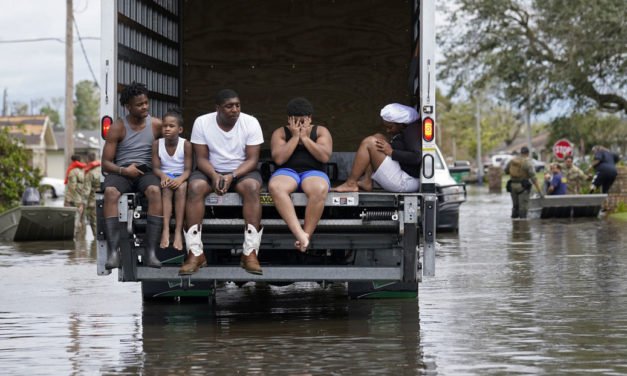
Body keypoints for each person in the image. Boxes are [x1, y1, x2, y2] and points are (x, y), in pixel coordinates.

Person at [181, 89, 264, 275]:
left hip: (242, 171)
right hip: (210, 170)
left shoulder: (250, 122)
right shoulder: (202, 122)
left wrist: (231, 175)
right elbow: (201, 158)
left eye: (237, 105)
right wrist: (214, 175)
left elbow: (252, 160)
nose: (235, 109)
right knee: (194, 187)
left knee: (252, 187)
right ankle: (195, 253)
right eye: (229, 106)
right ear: (217, 108)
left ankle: (250, 253)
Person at [101, 82, 163, 269]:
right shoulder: (118, 127)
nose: (144, 107)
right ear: (128, 107)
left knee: (154, 191)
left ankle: (150, 253)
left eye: (146, 102)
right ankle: (113, 253)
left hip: (146, 172)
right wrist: (123, 171)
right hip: (123, 171)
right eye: (139, 104)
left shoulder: (157, 125)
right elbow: (105, 163)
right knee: (110, 192)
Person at [268, 97, 333, 252]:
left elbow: (324, 156)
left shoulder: (321, 131)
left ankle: (306, 235)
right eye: (295, 121)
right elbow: (279, 158)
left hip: (313, 172)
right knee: (276, 187)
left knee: (319, 188)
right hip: (287, 172)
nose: (299, 125)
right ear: (289, 120)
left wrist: (305, 138)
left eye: (303, 121)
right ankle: (299, 233)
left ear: (310, 118)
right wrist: (295, 137)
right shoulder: (280, 132)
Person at [333, 103, 421, 193]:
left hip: (406, 181)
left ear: (401, 124)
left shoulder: (411, 132)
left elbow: (417, 157)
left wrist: (391, 152)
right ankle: (366, 181)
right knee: (378, 137)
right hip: (404, 174)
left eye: (390, 127)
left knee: (369, 143)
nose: (388, 130)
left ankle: (350, 184)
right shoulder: (408, 129)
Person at [152, 108, 192, 251]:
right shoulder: (157, 144)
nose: (167, 129)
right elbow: (156, 168)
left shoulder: (185, 144)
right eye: (164, 126)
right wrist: (163, 176)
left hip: (181, 177)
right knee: (166, 190)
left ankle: (178, 232)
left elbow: (188, 169)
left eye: (171, 126)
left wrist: (180, 179)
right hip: (165, 177)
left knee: (181, 189)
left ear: (180, 129)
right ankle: (165, 229)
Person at [504, 146, 543, 219]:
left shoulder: (512, 161)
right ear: (527, 153)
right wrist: (540, 192)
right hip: (523, 187)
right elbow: (534, 178)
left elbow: (506, 171)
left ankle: (514, 225)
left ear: (521, 152)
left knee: (515, 206)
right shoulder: (528, 163)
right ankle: (523, 227)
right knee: (523, 208)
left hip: (512, 186)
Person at [64, 154, 86, 237]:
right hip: (82, 198)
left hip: (74, 198)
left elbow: (72, 187)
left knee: (72, 219)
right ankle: (82, 238)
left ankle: (74, 237)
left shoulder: (72, 171)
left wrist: (68, 199)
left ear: (72, 161)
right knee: (82, 219)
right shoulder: (84, 170)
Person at [83, 152, 102, 238]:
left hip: (93, 201)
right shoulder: (103, 169)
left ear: (88, 160)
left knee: (94, 221)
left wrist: (82, 203)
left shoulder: (90, 173)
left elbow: (87, 191)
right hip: (107, 199)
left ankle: (96, 240)